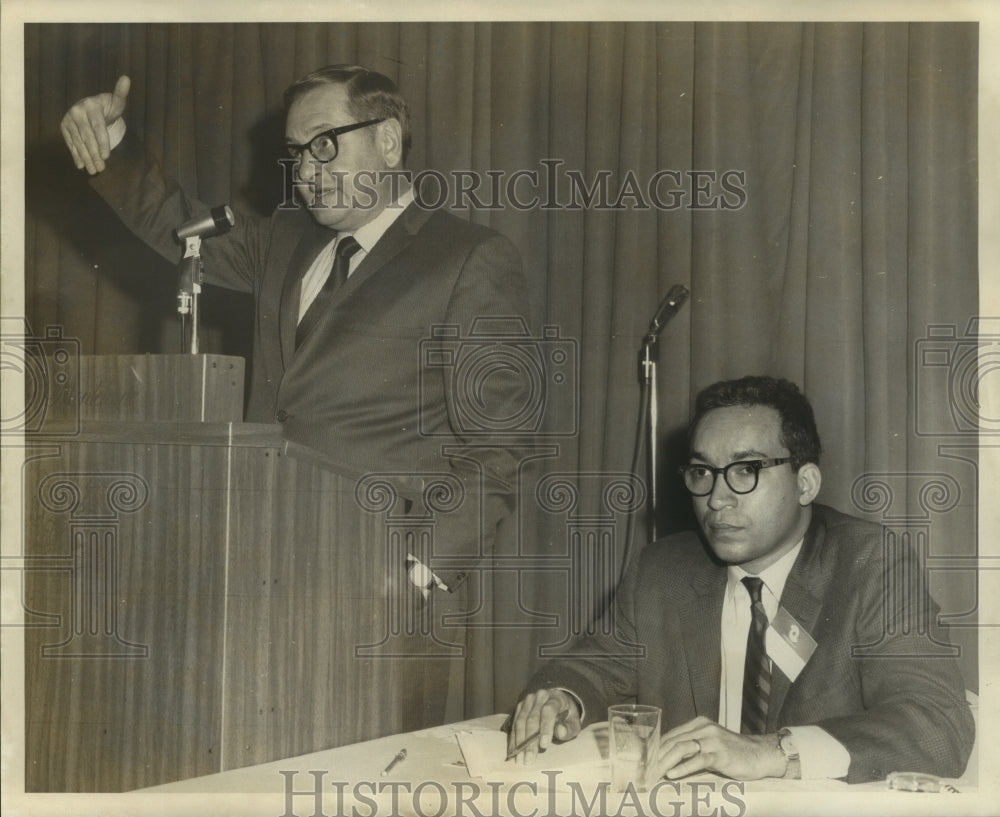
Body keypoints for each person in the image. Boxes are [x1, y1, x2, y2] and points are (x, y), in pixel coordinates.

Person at [60, 65, 532, 592]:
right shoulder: (284, 240)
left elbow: (498, 442)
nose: (307, 170)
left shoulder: (467, 257)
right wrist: (113, 144)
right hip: (257, 553)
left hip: (381, 573)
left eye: (324, 144)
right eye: (297, 152)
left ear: (389, 142)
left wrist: (424, 571)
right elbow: (178, 224)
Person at [508, 375, 974, 784]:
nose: (716, 498)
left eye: (746, 470)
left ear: (806, 483)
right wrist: (560, 698)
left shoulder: (870, 564)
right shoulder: (662, 570)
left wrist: (773, 752)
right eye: (702, 472)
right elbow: (589, 669)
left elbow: (937, 727)